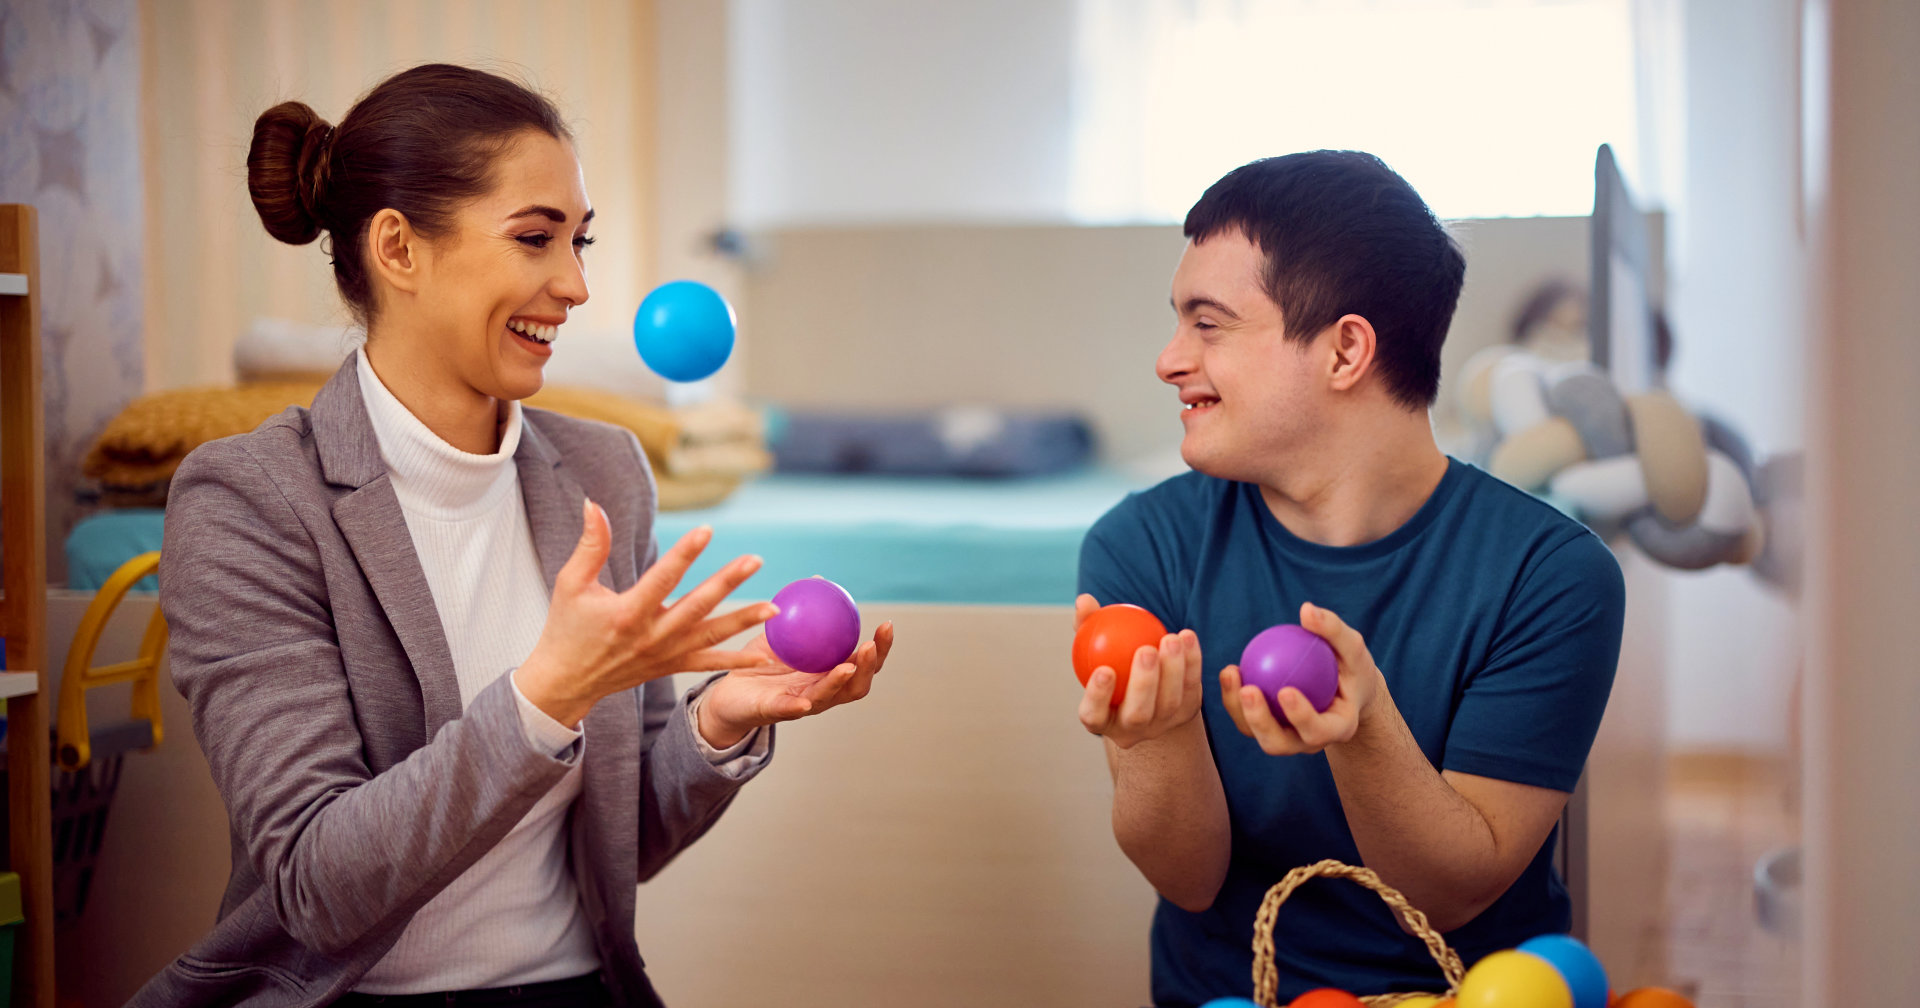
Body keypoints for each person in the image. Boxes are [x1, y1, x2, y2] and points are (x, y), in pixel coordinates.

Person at [131, 63, 892, 1007]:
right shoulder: (249, 501)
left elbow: (621, 846)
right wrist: (549, 692)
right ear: (399, 249)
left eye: (581, 241)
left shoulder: (608, 473)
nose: (575, 285)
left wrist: (717, 722)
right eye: (536, 238)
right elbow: (318, 885)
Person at [1073, 151, 1624, 1005]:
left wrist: (1364, 731)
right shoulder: (1142, 545)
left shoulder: (1551, 576)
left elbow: (1451, 893)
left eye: (1208, 324)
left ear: (1345, 351)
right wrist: (1155, 740)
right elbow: (1188, 880)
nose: (1169, 360)